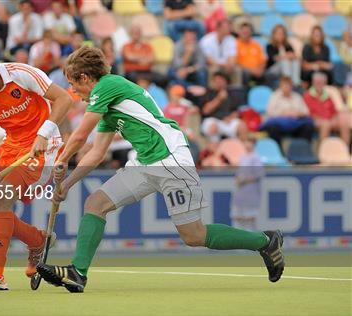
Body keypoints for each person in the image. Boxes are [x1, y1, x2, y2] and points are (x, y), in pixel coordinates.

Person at [36, 46, 285, 292]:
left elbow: (80, 135)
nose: (73, 91)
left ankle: (265, 241)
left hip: (171, 160)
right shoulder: (107, 107)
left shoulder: (107, 85)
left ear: (85, 78)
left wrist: (63, 158)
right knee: (95, 204)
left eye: (73, 84)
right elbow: (97, 152)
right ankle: (78, 273)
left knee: (194, 236)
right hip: (144, 163)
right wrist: (67, 184)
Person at [0, 42, 73, 290]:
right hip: (11, 148)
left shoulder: (22, 74)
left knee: (0, 196)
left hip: (45, 145)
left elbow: (64, 99)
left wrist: (44, 134)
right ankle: (37, 240)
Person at [262, 76, 314, 145]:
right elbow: (269, 112)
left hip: (295, 123)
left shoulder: (297, 96)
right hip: (280, 124)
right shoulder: (274, 96)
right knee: (272, 128)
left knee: (308, 126)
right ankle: (278, 150)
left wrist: (297, 113)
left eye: (288, 85)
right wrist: (284, 113)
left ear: (291, 86)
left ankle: (301, 148)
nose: (286, 87)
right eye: (284, 85)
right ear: (280, 86)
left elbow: (306, 112)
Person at [200, 71, 247, 143]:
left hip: (227, 121)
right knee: (213, 126)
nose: (218, 82)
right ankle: (214, 152)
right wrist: (219, 99)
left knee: (241, 126)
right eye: (215, 80)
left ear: (226, 82)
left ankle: (240, 149)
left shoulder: (232, 94)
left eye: (220, 80)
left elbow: (236, 111)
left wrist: (230, 118)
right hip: (213, 120)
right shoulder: (208, 93)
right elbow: (206, 111)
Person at [303, 72, 349, 145]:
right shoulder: (307, 95)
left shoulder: (328, 95)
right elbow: (308, 113)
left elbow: (334, 111)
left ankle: (345, 149)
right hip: (315, 120)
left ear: (325, 83)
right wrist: (325, 120)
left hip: (329, 119)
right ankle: (323, 151)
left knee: (343, 123)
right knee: (326, 124)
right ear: (313, 83)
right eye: (317, 82)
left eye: (321, 82)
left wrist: (334, 119)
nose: (319, 84)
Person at [231, 137, 264, 231]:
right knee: (238, 216)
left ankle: (252, 239)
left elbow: (259, 174)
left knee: (250, 217)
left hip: (251, 190)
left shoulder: (256, 157)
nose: (247, 145)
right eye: (246, 142)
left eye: (249, 142)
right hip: (241, 191)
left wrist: (245, 180)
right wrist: (238, 180)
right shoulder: (243, 157)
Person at [200, 19, 240, 86]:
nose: (229, 29)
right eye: (226, 27)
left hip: (225, 65)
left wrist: (230, 65)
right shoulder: (207, 40)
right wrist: (222, 65)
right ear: (218, 28)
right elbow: (209, 60)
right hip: (211, 65)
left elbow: (233, 57)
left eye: (229, 27)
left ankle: (235, 92)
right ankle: (212, 91)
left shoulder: (231, 39)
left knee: (237, 70)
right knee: (213, 70)